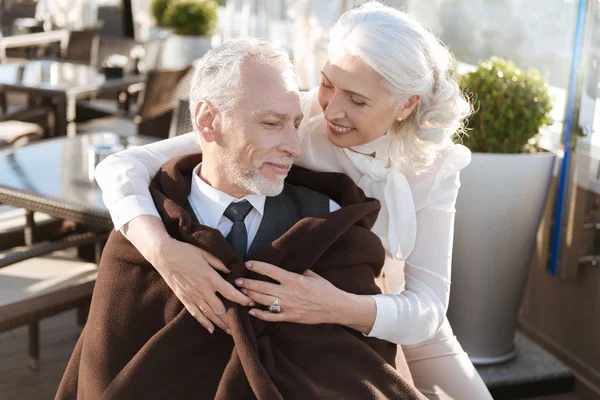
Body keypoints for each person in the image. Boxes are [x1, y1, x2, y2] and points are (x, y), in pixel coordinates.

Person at [95, 2, 492, 399]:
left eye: (357, 100)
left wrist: (336, 306)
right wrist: (163, 250)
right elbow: (122, 166)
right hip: (320, 310)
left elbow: (427, 307)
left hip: (400, 311)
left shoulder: (437, 165)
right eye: (328, 83)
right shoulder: (298, 116)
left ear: (406, 104)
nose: (333, 108)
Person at [58, 38, 423, 399]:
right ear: (207, 122)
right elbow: (104, 375)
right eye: (271, 123)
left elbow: (366, 372)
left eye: (295, 124)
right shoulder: (144, 233)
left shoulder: (330, 226)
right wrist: (164, 251)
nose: (294, 147)